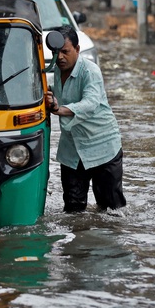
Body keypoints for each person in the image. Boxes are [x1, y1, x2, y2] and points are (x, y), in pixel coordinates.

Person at [45, 25, 126, 213]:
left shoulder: (90, 71)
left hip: (101, 147)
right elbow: (57, 95)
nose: (60, 57)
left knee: (111, 209)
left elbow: (90, 103)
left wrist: (59, 108)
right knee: (73, 209)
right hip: (72, 149)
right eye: (57, 53)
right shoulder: (57, 70)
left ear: (78, 50)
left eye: (65, 52)